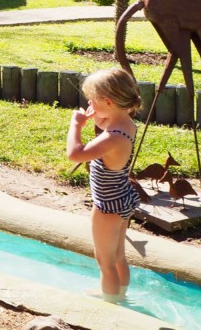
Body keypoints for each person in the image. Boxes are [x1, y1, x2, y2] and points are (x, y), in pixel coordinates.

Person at [66, 67, 141, 303]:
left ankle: (110, 302)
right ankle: (121, 294)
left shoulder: (112, 138)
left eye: (93, 100)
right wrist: (98, 115)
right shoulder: (125, 123)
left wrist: (76, 125)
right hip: (123, 198)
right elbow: (106, 126)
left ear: (108, 102)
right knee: (118, 255)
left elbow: (75, 154)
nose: (89, 103)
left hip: (107, 205)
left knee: (104, 261)